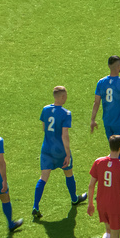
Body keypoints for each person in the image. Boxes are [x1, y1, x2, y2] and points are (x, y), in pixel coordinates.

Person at [33, 86, 85, 220]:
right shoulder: (66, 113)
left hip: (46, 149)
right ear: (62, 97)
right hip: (60, 151)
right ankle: (74, 199)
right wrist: (67, 154)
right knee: (69, 173)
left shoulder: (45, 109)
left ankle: (35, 206)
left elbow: (44, 128)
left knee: (43, 178)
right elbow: (65, 135)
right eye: (66, 96)